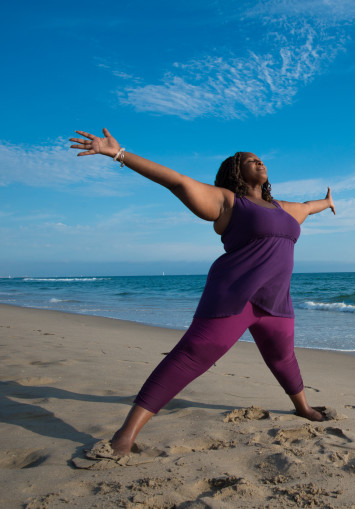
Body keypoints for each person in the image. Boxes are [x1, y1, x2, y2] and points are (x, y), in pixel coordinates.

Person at [69, 128, 335, 456]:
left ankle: (303, 408)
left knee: (282, 358)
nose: (259, 162)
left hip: (276, 302)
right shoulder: (227, 201)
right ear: (237, 171)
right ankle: (126, 434)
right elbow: (177, 181)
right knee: (190, 358)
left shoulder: (283, 209)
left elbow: (309, 206)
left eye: (261, 159)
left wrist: (327, 202)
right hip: (234, 296)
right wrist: (119, 153)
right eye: (251, 160)